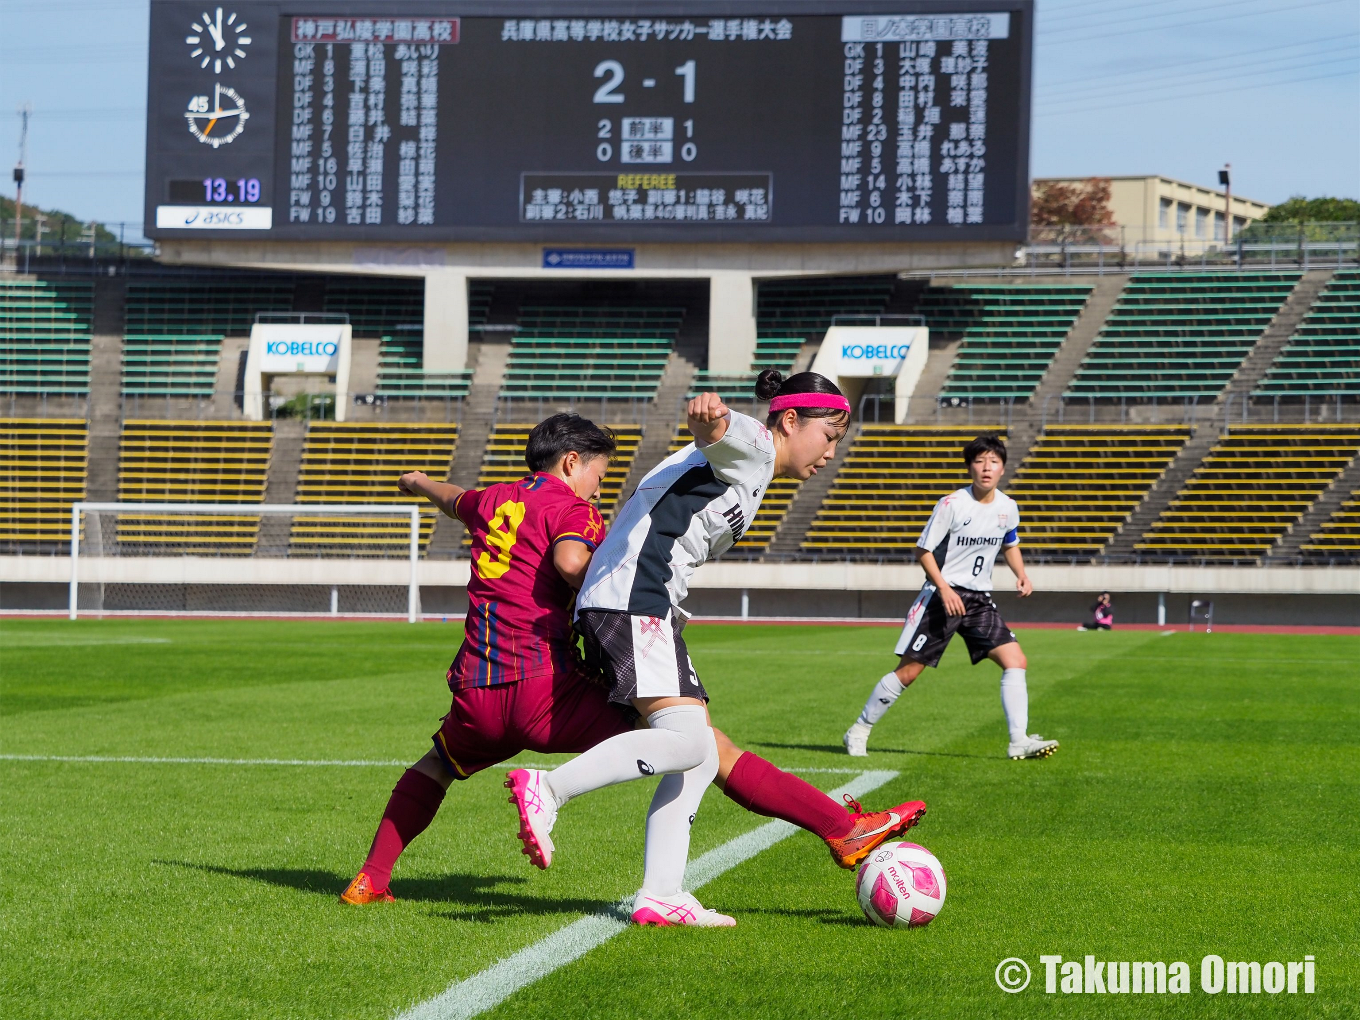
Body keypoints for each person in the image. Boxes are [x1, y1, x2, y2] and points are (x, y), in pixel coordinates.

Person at [505, 372, 927, 928]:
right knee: (686, 743)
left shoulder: (754, 465)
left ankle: (662, 893)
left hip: (638, 601)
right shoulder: (754, 443)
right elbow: (722, 431)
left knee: (703, 753)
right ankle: (549, 789)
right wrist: (712, 419)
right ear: (791, 421)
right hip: (634, 599)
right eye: (828, 436)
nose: (830, 453)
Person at [340, 413, 626, 904]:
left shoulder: (494, 500)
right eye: (598, 477)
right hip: (547, 687)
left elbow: (452, 500)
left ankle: (370, 878)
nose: (598, 491)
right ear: (572, 462)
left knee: (435, 766)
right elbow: (571, 563)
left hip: (477, 689)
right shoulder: (575, 510)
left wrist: (417, 481)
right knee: (679, 741)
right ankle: (663, 886)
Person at [842, 434, 1059, 762]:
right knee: (909, 672)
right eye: (980, 461)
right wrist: (944, 588)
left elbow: (1010, 544)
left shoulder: (1007, 507)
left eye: (993, 462)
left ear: (1002, 468)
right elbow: (923, 551)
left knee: (1016, 661)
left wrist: (1021, 573)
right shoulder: (952, 504)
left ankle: (1018, 740)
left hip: (979, 601)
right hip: (941, 597)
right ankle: (859, 729)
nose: (987, 468)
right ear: (970, 466)